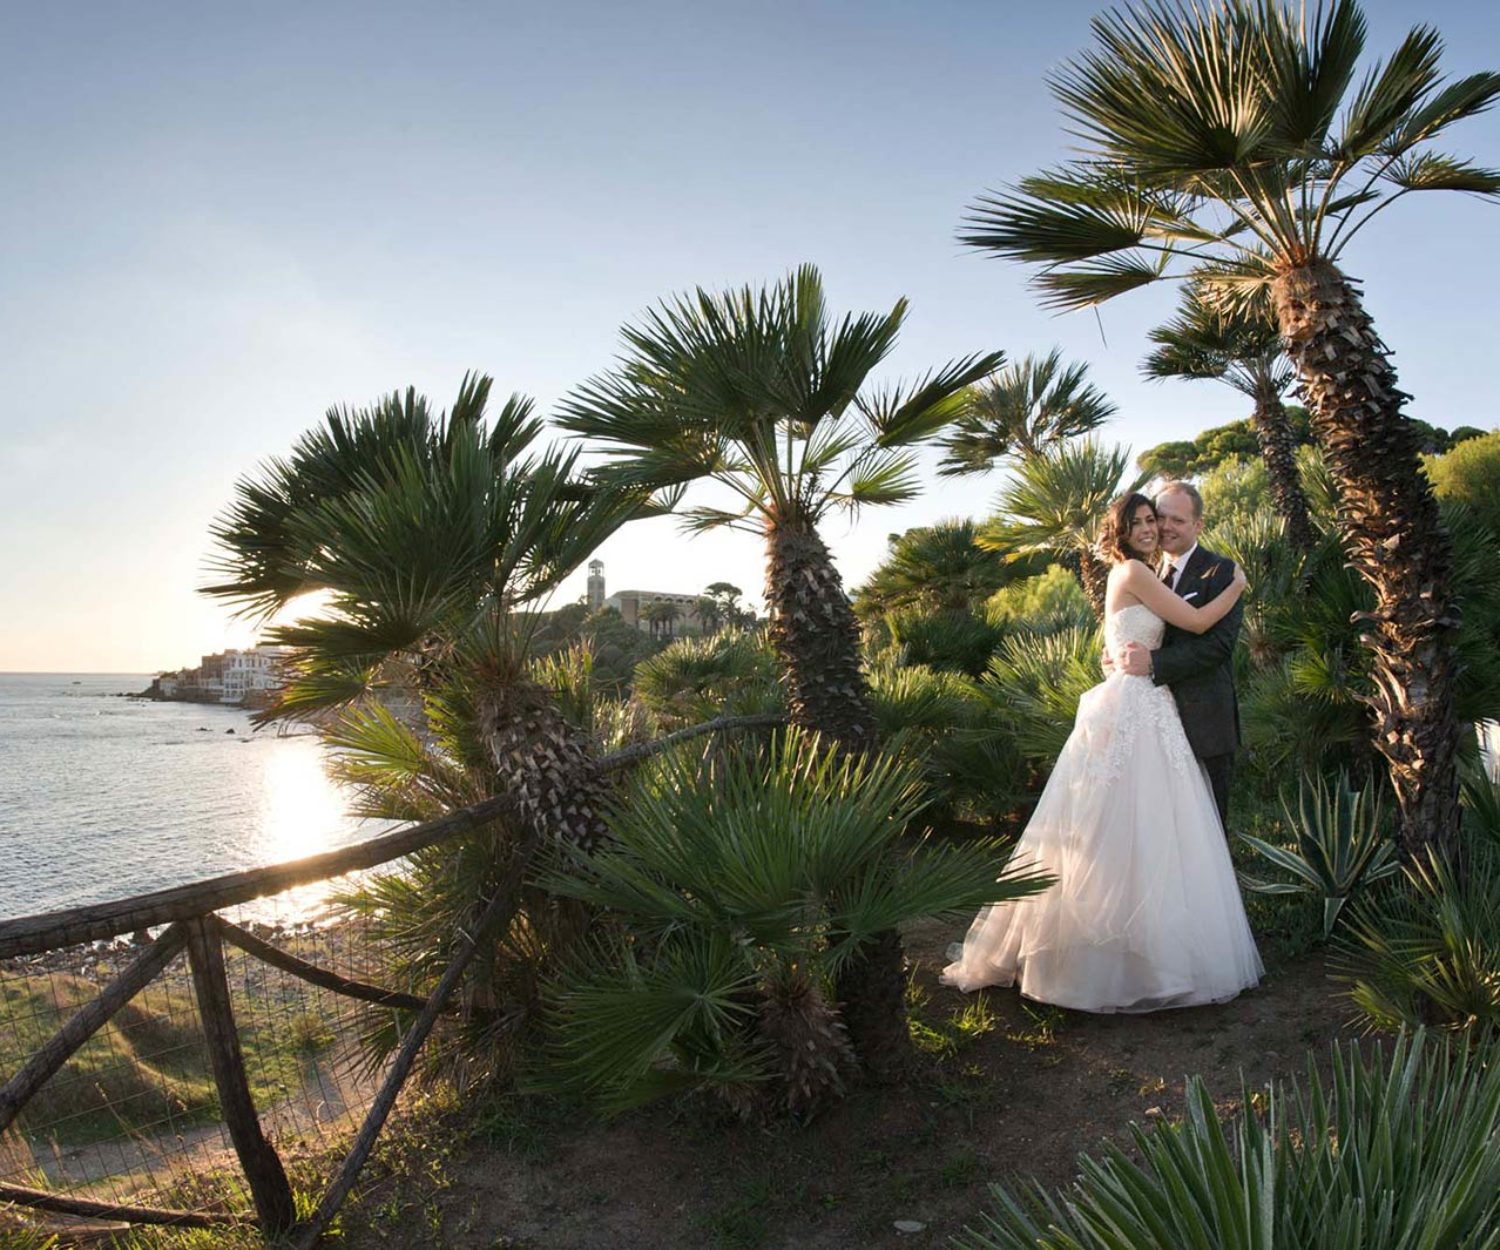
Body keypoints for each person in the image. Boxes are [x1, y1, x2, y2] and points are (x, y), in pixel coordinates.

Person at [941, 493, 1263, 1012]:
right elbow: (1199, 625)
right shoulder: (1136, 572)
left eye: (1154, 520)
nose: (1151, 528)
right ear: (1121, 530)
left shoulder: (1137, 573)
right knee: (1128, 832)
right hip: (1139, 708)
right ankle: (1125, 959)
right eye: (1140, 522)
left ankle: (1151, 955)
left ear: (1192, 523)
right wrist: (1239, 588)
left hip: (1151, 708)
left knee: (1145, 833)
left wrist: (1125, 654)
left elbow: (1170, 638)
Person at [1115, 481, 1242, 829]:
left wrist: (1154, 664)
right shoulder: (1147, 571)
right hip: (1153, 724)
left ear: (1198, 525)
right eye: (1160, 517)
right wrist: (1115, 656)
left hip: (1205, 723)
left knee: (1208, 833)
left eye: (1178, 520)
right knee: (1162, 831)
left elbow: (1217, 647)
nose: (1165, 527)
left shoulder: (1222, 572)